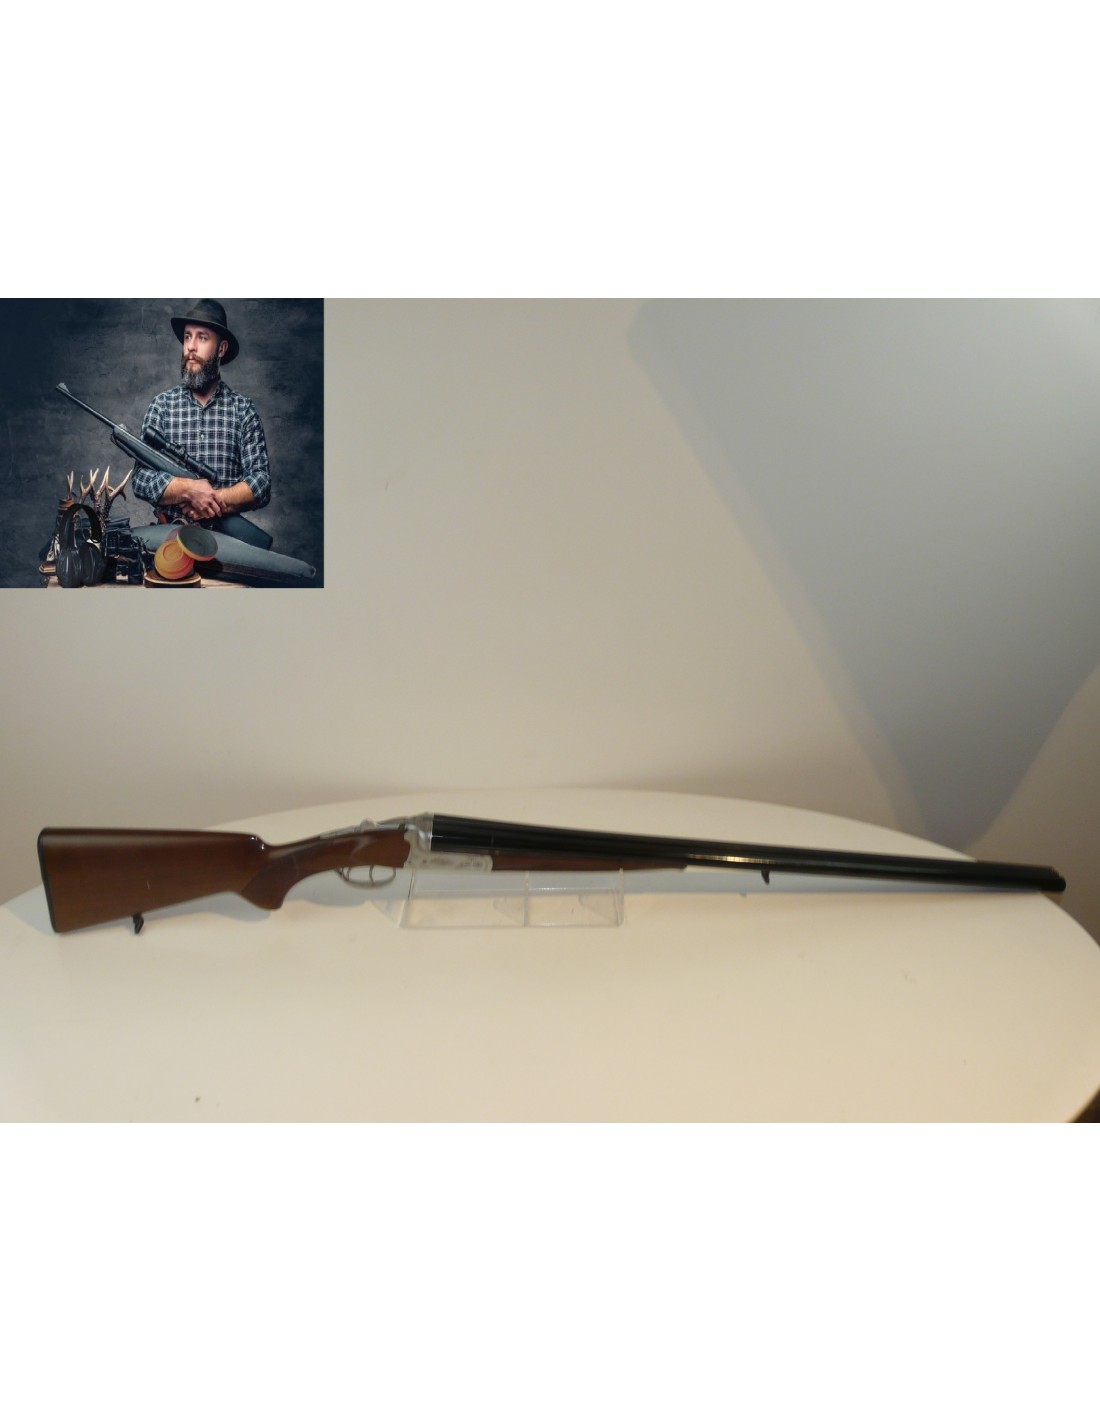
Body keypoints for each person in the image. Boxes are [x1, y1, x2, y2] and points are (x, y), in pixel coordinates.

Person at [130, 300, 273, 548]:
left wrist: (213, 500)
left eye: (202, 338)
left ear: (221, 348)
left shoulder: (243, 411)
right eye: (187, 337)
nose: (191, 347)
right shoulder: (161, 406)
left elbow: (261, 483)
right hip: (170, 544)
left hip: (227, 548)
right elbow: (140, 479)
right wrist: (187, 489)